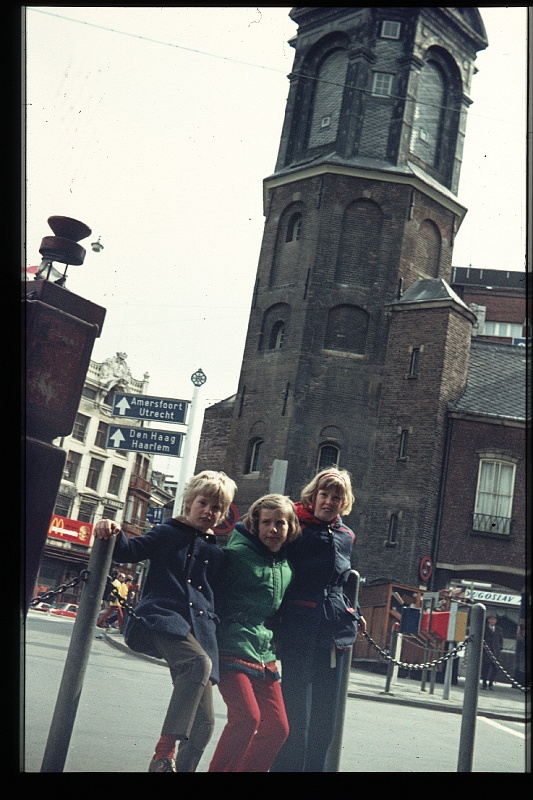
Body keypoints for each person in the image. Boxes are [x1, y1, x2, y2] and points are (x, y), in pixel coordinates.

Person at [93, 470, 237, 772]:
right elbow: (129, 550)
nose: (208, 512)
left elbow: (220, 595)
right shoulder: (168, 532)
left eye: (216, 508)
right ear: (189, 502)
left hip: (199, 630)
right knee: (198, 664)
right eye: (203, 503)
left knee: (204, 725)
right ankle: (164, 752)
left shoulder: (216, 552)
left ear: (223, 514)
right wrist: (111, 528)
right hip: (162, 618)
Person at [270, 468, 366, 773]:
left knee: (326, 718)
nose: (329, 501)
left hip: (333, 634)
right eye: (324, 494)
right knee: (294, 715)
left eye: (336, 497)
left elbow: (344, 581)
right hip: (299, 629)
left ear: (344, 502)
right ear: (313, 495)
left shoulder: (346, 535)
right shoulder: (294, 528)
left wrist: (355, 613)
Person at [208, 494, 301, 772]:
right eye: (267, 523)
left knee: (277, 729)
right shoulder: (234, 555)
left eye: (280, 523)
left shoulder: (285, 565)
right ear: (255, 525)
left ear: (290, 527)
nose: (273, 529)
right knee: (246, 719)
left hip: (263, 650)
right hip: (230, 644)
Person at [481, 614, 504, 690]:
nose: (492, 621)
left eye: (494, 620)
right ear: (488, 620)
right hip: (486, 651)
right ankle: (484, 683)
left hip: (496, 651)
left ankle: (491, 683)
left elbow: (500, 640)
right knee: (485, 668)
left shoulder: (499, 629)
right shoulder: (484, 628)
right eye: (491, 619)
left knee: (496, 668)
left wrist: (499, 648)